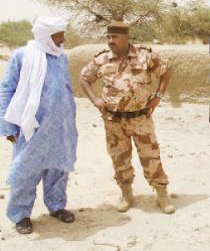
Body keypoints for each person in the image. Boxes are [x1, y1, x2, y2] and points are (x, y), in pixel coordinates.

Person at [79, 21, 175, 214]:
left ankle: (162, 194)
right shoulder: (102, 59)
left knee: (151, 156)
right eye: (108, 37)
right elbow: (84, 78)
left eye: (114, 37)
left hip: (140, 118)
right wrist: (95, 99)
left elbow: (165, 72)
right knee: (119, 159)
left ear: (126, 37)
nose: (110, 41)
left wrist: (157, 97)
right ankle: (126, 194)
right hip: (113, 121)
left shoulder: (144, 55)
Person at [0, 17, 77, 234]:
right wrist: (7, 127)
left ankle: (56, 206)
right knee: (26, 171)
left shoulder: (62, 57)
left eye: (62, 33)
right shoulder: (22, 56)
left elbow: (65, 89)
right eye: (58, 35)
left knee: (59, 168)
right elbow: (7, 89)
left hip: (60, 126)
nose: (62, 39)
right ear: (45, 35)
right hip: (31, 126)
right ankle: (20, 215)